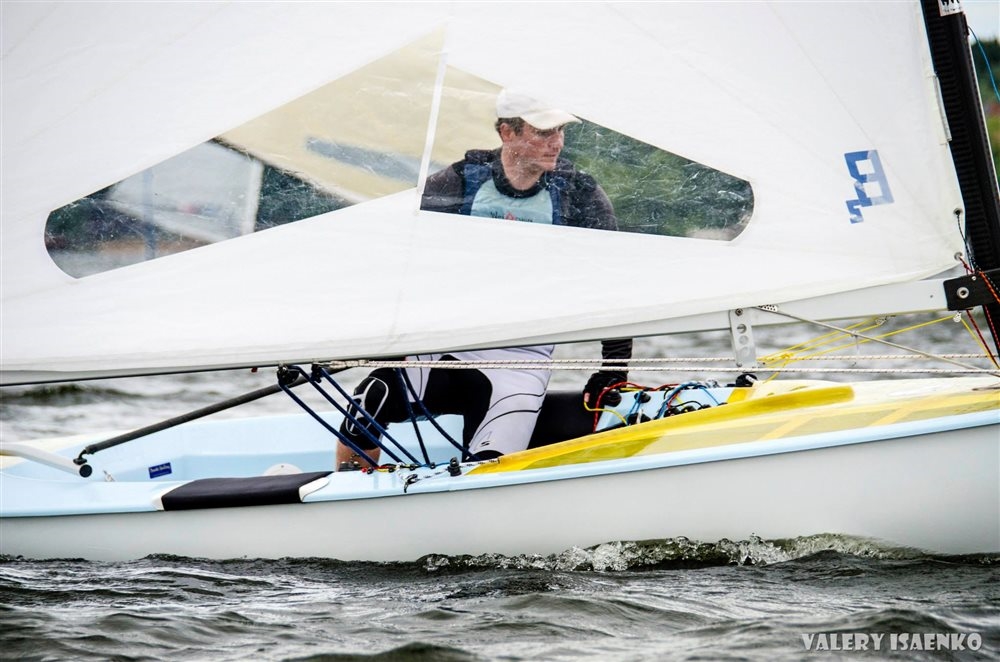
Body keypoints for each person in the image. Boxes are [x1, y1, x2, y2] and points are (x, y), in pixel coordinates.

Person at [335, 90, 632, 470]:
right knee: (370, 400)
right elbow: (403, 264)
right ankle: (349, 486)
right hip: (446, 346)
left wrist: (613, 370)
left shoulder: (579, 195)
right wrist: (388, 340)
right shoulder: (458, 182)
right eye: (543, 131)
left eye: (560, 130)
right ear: (507, 133)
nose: (556, 142)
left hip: (520, 361)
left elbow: (613, 285)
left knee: (487, 466)